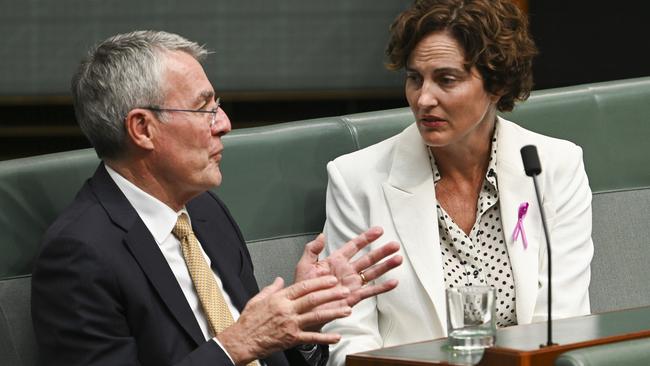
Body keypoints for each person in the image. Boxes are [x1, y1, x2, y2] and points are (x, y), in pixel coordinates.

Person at [31, 30, 403, 366]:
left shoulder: (204, 210)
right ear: (143, 129)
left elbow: (261, 349)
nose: (223, 123)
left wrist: (302, 316)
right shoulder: (78, 254)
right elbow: (242, 344)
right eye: (204, 108)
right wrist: (233, 347)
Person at [321, 0, 594, 364]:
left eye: (446, 79)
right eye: (415, 78)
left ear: (497, 84)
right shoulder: (356, 180)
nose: (423, 99)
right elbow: (349, 342)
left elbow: (563, 324)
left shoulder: (554, 166)